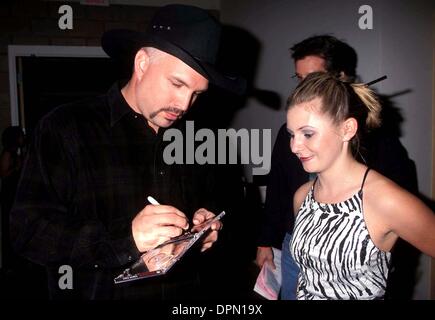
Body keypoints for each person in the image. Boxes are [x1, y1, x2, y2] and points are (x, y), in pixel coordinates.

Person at [9, 4, 245, 300]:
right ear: (143, 63)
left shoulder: (197, 139)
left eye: (196, 94)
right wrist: (126, 239)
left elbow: (210, 202)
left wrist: (204, 227)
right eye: (177, 83)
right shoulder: (66, 128)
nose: (184, 105)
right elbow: (28, 232)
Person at [256, 35, 418, 299]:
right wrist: (265, 240)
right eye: (299, 79)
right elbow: (278, 188)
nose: (296, 146)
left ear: (340, 77)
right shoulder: (291, 141)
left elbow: (400, 211)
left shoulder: (377, 140)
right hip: (294, 245)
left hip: (351, 259)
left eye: (313, 78)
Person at [287, 72, 435, 300]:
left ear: (347, 129)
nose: (295, 146)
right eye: (292, 134)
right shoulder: (303, 196)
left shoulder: (384, 199)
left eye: (307, 133)